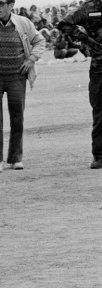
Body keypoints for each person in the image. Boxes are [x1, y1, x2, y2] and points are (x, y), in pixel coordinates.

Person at [0, 0, 45, 173]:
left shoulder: (23, 23)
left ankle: (15, 158)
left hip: (16, 78)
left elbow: (40, 41)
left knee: (17, 118)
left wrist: (31, 59)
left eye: (1, 3)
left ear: (11, 5)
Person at [59, 2, 102, 169]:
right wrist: (88, 41)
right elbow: (64, 24)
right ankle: (99, 155)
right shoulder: (89, 7)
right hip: (99, 68)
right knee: (99, 111)